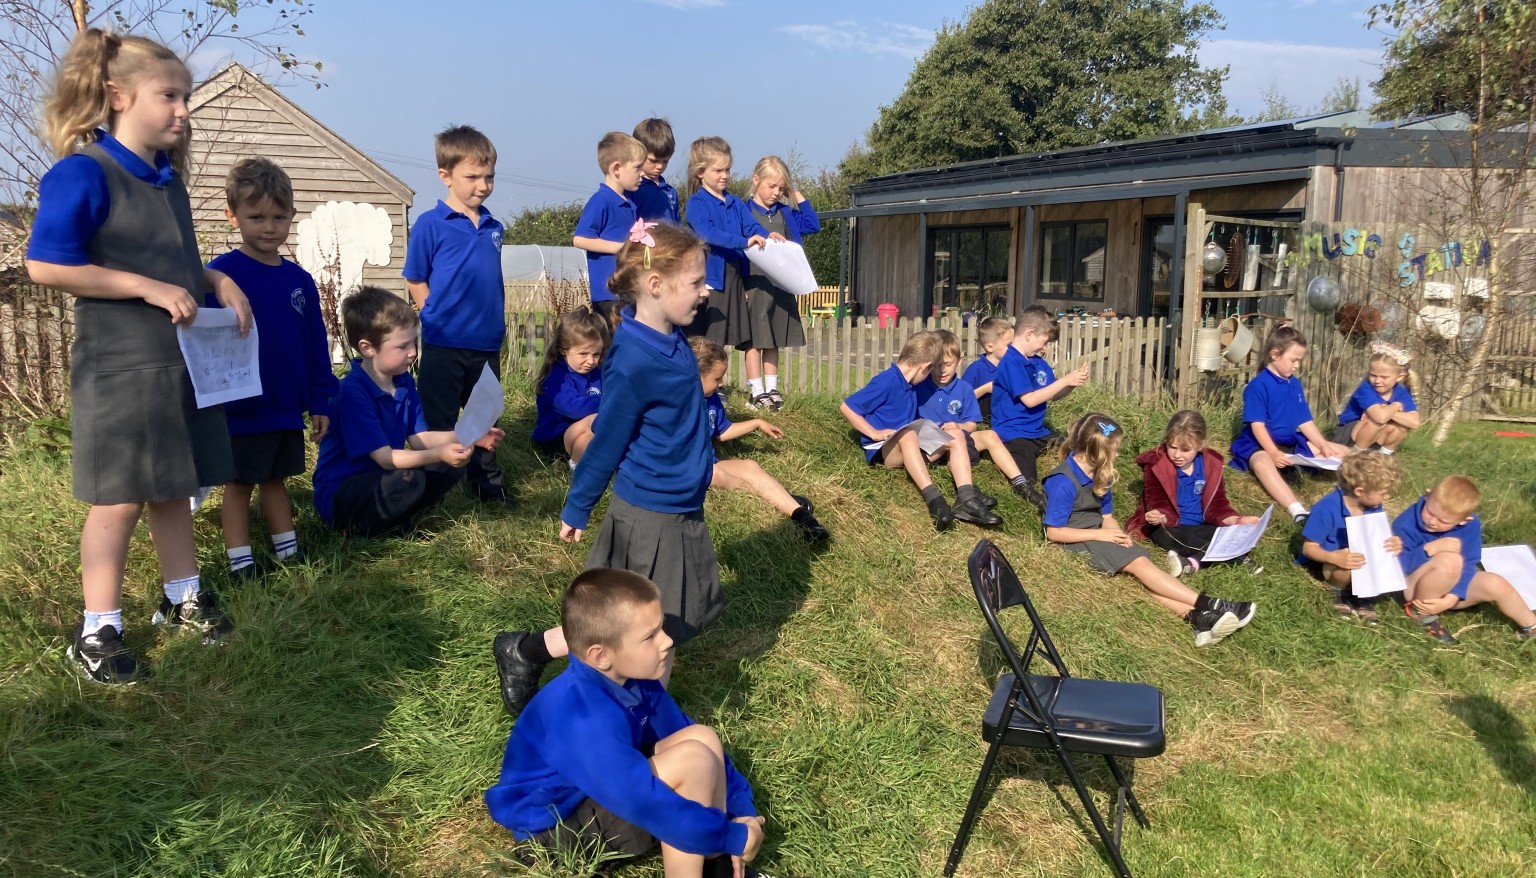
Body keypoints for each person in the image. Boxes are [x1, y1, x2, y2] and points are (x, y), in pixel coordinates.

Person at [27, 28, 254, 683]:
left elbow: (175, 262)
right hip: (120, 369)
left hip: (177, 366)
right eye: (170, 96)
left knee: (174, 488)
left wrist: (217, 278)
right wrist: (143, 287)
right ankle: (97, 629)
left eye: (186, 96)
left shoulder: (167, 182)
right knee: (119, 499)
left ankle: (182, 598)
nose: (184, 109)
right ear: (118, 95)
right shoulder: (83, 172)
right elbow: (45, 265)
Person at [493, 222, 721, 718]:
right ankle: (640, 730)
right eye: (697, 282)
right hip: (650, 513)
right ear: (656, 285)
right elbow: (607, 442)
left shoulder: (675, 339)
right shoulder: (633, 359)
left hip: (680, 505)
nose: (706, 292)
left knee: (628, 625)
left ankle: (524, 650)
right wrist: (578, 504)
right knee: (651, 633)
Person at [486, 569, 765, 878]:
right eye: (650, 636)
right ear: (601, 656)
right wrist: (733, 836)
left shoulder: (633, 679)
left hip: (600, 791)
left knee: (702, 738)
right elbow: (643, 802)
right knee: (694, 762)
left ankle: (716, 864)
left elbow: (680, 732)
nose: (667, 641)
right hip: (553, 836)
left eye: (661, 628)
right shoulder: (580, 719)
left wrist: (742, 812)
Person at [207, 157, 338, 583]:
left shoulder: (300, 280)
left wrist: (321, 399)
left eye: (279, 217)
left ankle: (289, 553)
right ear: (232, 216)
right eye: (256, 216)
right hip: (240, 405)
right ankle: (240, 563)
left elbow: (315, 346)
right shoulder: (221, 276)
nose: (269, 227)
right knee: (240, 484)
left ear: (291, 217)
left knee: (277, 479)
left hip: (284, 404)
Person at [1043, 413, 1256, 648]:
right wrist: (1101, 535)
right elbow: (1054, 532)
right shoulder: (1063, 481)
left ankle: (1198, 619)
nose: (1117, 454)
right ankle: (1211, 604)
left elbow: (1107, 517)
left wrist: (1118, 535)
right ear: (1100, 451)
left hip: (1096, 535)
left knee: (1140, 571)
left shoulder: (1101, 473)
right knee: (1141, 565)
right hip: (1074, 540)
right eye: (1115, 449)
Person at [311, 287, 503, 538]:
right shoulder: (351, 392)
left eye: (414, 342)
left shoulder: (403, 381)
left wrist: (469, 435)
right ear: (368, 348)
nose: (412, 352)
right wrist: (438, 453)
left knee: (450, 466)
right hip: (344, 490)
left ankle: (394, 517)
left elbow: (418, 438)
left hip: (383, 479)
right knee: (410, 477)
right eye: (402, 346)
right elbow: (385, 459)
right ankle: (361, 528)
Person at [402, 125, 514, 508]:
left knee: (484, 418)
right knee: (440, 418)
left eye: (489, 176)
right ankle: (432, 488)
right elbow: (415, 277)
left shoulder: (494, 226)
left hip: (485, 341)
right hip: (444, 341)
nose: (482, 185)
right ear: (445, 176)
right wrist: (432, 314)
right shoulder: (430, 225)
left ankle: (488, 486)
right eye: (472, 177)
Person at [839, 332, 1002, 530]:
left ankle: (966, 499)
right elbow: (847, 407)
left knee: (956, 435)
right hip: (885, 449)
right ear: (924, 367)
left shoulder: (909, 383)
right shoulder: (887, 380)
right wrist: (874, 432)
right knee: (908, 435)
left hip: (910, 442)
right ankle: (935, 500)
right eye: (931, 369)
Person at [690, 336, 829, 542]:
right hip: (693, 470)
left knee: (749, 466)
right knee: (717, 474)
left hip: (710, 464)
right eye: (717, 379)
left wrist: (756, 423)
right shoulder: (678, 404)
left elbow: (721, 431)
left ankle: (804, 519)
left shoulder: (711, 399)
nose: (721, 385)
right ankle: (769, 499)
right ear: (695, 375)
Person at [1229, 324, 1351, 523]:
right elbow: (1257, 426)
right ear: (1275, 354)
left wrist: (1323, 445)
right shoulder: (1258, 386)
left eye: (1299, 361)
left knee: (1342, 451)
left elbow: (1304, 421)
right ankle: (1296, 509)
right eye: (1293, 360)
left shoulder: (1294, 383)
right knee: (1261, 463)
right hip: (1259, 443)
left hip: (1289, 441)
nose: (1296, 366)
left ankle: (1353, 491)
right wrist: (1274, 453)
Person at [1392, 476, 1536, 644]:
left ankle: (1530, 626)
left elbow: (1469, 562)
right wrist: (1428, 550)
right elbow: (1396, 567)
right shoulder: (1406, 523)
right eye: (1430, 512)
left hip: (1451, 589)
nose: (1432, 521)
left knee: (1495, 582)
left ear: (1463, 520)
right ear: (1427, 495)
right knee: (1451, 560)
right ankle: (1422, 614)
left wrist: (1453, 596)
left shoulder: (1471, 525)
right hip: (1414, 588)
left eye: (1443, 521)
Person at [1127, 410, 1263, 578]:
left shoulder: (1210, 464)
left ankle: (1191, 563)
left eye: (1185, 449)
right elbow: (1157, 503)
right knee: (1187, 540)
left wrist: (1237, 521)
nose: (1177, 455)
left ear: (1200, 445)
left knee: (1234, 535)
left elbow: (1218, 505)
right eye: (1172, 447)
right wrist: (1159, 516)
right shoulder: (1156, 465)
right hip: (1169, 526)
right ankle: (1235, 558)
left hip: (1200, 526)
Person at [991, 305, 1089, 510]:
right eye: (1044, 342)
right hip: (1013, 433)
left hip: (1037, 431)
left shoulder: (1037, 363)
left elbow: (1052, 395)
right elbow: (1030, 400)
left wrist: (1071, 384)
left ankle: (1080, 491)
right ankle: (1034, 506)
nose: (1044, 348)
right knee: (1028, 479)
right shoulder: (1011, 362)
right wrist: (1063, 381)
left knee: (1075, 447)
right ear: (1029, 334)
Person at [741, 156, 819, 411]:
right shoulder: (743, 211)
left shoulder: (785, 212)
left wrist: (797, 195)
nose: (776, 193)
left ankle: (772, 389)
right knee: (753, 339)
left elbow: (812, 225)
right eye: (771, 186)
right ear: (756, 181)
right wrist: (740, 286)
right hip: (753, 285)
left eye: (781, 188)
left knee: (773, 337)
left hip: (780, 285)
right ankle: (756, 390)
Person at [683, 136, 774, 353]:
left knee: (727, 337)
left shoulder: (735, 202)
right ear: (700, 172)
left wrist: (770, 236)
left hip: (734, 276)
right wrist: (744, 242)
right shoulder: (697, 203)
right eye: (718, 170)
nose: (725, 176)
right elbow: (708, 234)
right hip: (711, 278)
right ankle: (706, 382)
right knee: (709, 337)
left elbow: (752, 227)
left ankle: (717, 383)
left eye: (727, 170)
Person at [1296, 450, 1402, 624]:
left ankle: (1362, 596)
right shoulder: (1327, 508)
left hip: (1358, 557)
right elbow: (1308, 548)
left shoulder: (1373, 506)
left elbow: (1376, 538)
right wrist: (1333, 557)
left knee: (1377, 559)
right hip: (1331, 559)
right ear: (1360, 491)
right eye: (1384, 493)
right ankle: (1338, 592)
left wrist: (1392, 543)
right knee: (1347, 567)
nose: (1387, 497)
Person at [574, 131, 646, 324]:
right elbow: (580, 238)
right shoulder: (601, 200)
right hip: (608, 294)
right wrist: (621, 247)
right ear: (616, 168)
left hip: (626, 289)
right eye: (638, 168)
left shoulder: (629, 203)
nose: (642, 174)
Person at [532, 307, 610, 465]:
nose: (590, 361)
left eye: (596, 354)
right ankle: (577, 469)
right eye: (583, 354)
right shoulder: (556, 378)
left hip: (586, 432)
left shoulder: (597, 373)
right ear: (563, 350)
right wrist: (609, 401)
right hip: (555, 439)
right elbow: (573, 409)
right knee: (594, 421)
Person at [1335, 341, 1420, 454]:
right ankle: (1357, 455)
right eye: (1373, 375)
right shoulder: (1365, 389)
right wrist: (1396, 405)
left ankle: (1383, 456)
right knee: (1376, 422)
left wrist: (1388, 411)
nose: (1377, 381)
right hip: (1347, 436)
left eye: (1384, 377)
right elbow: (1380, 417)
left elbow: (1414, 422)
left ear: (1399, 377)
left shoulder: (1401, 392)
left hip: (1374, 437)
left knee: (1401, 427)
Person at [961, 316, 1014, 423]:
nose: (1014, 348)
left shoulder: (1013, 366)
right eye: (1009, 345)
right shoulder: (976, 369)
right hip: (982, 420)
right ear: (990, 347)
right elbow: (961, 399)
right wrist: (985, 389)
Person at [631, 118, 680, 224]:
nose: (659, 166)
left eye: (665, 161)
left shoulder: (670, 192)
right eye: (654, 161)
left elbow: (677, 226)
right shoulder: (632, 189)